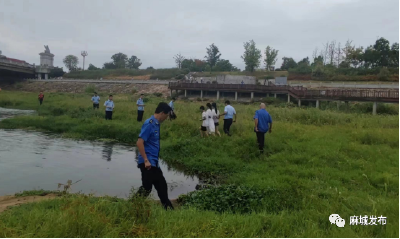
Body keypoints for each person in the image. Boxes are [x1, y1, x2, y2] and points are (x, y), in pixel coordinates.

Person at [135, 102, 174, 210]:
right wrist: (146, 160)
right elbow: (139, 142)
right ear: (162, 113)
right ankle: (132, 205)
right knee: (147, 187)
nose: (166, 118)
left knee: (161, 186)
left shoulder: (156, 124)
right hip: (147, 162)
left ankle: (168, 209)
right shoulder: (149, 123)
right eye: (166, 116)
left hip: (153, 162)